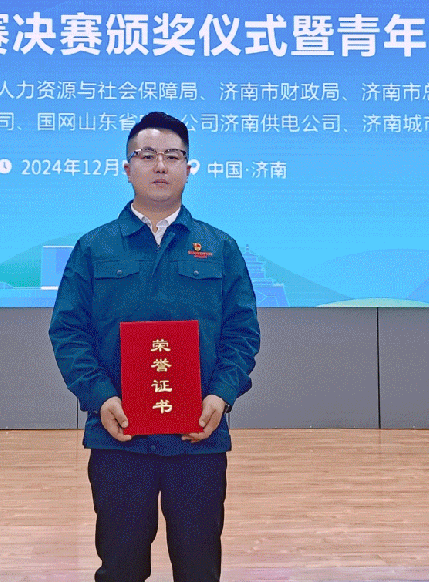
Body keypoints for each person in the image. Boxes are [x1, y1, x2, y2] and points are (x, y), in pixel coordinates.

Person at [49, 111, 260, 582]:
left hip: (198, 438)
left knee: (199, 568)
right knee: (120, 568)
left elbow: (242, 332)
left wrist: (221, 394)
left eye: (172, 156)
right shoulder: (95, 248)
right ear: (127, 168)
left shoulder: (220, 247)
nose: (160, 166)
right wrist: (100, 397)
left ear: (189, 167)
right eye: (147, 156)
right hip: (120, 436)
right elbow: (69, 331)